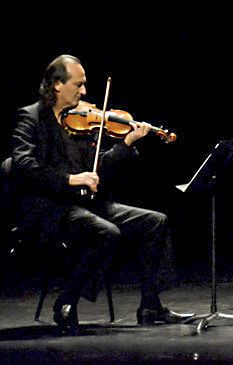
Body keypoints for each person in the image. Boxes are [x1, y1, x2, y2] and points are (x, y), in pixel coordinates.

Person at [9, 55, 193, 334]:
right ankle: (66, 302)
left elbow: (99, 167)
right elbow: (24, 166)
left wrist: (127, 143)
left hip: (85, 204)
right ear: (58, 84)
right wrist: (70, 179)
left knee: (155, 221)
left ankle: (150, 305)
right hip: (50, 209)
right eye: (78, 85)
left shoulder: (81, 120)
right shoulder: (31, 117)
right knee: (106, 232)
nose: (84, 92)